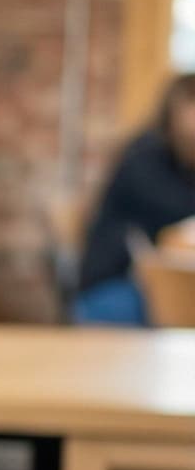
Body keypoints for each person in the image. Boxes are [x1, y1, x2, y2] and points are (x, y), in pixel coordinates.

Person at [74, 73, 195, 324]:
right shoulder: (144, 155)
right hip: (116, 282)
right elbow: (174, 212)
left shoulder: (186, 163)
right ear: (173, 111)